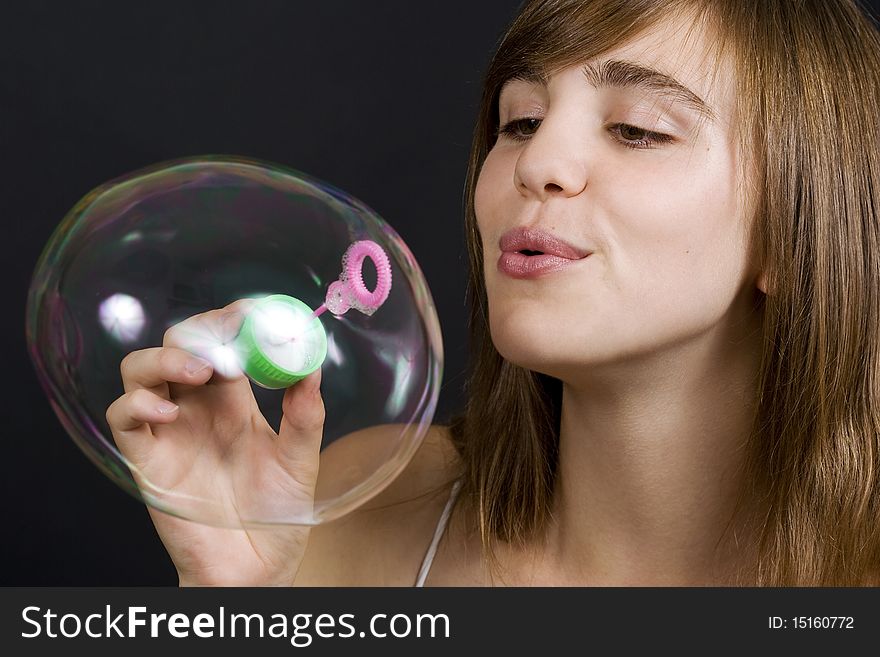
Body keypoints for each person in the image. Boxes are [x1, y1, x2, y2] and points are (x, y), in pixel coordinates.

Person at [105, 0, 880, 587]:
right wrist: (235, 600)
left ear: (795, 231)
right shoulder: (354, 510)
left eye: (638, 130)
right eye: (521, 119)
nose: (538, 160)